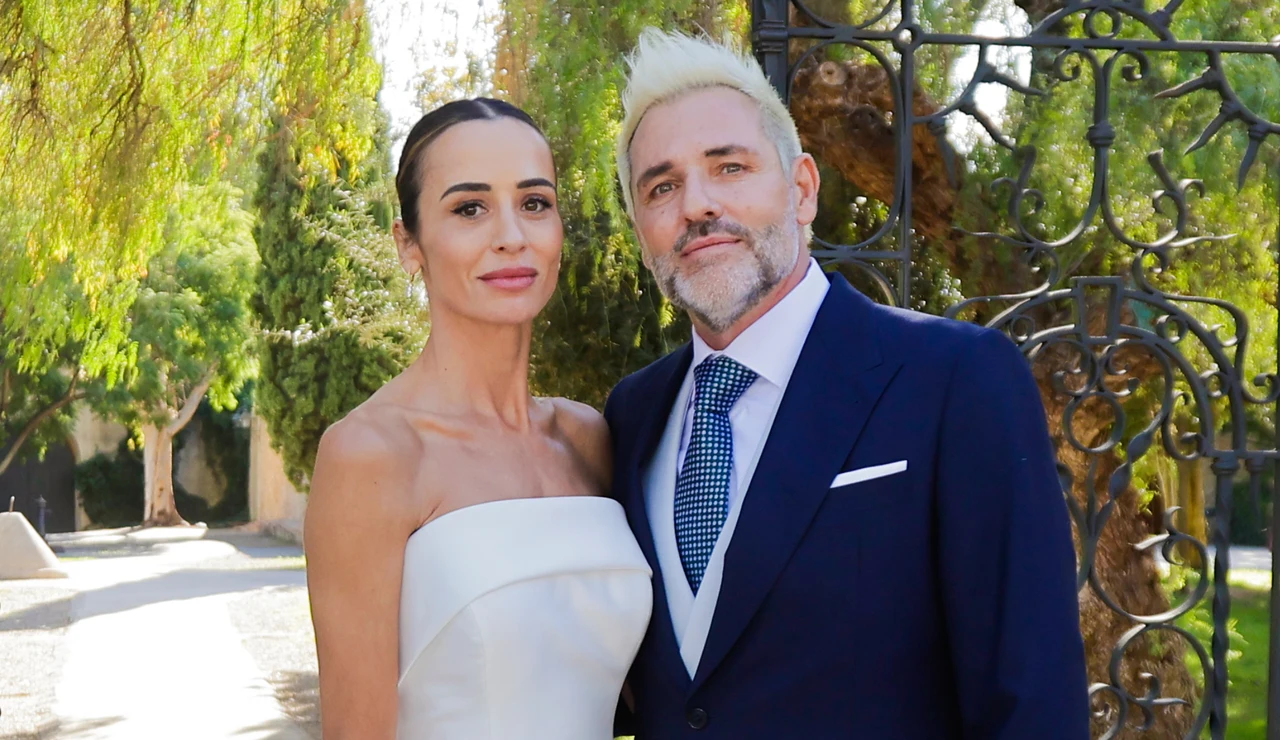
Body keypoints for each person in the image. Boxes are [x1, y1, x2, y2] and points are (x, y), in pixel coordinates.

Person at [605, 29, 1089, 738]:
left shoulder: (956, 381)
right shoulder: (631, 416)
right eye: (662, 186)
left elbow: (1031, 705)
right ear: (642, 227)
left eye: (729, 167)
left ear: (802, 190)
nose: (696, 205)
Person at [304, 98, 653, 740]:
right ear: (409, 244)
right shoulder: (370, 454)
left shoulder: (587, 438)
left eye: (534, 202)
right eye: (469, 208)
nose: (511, 235)